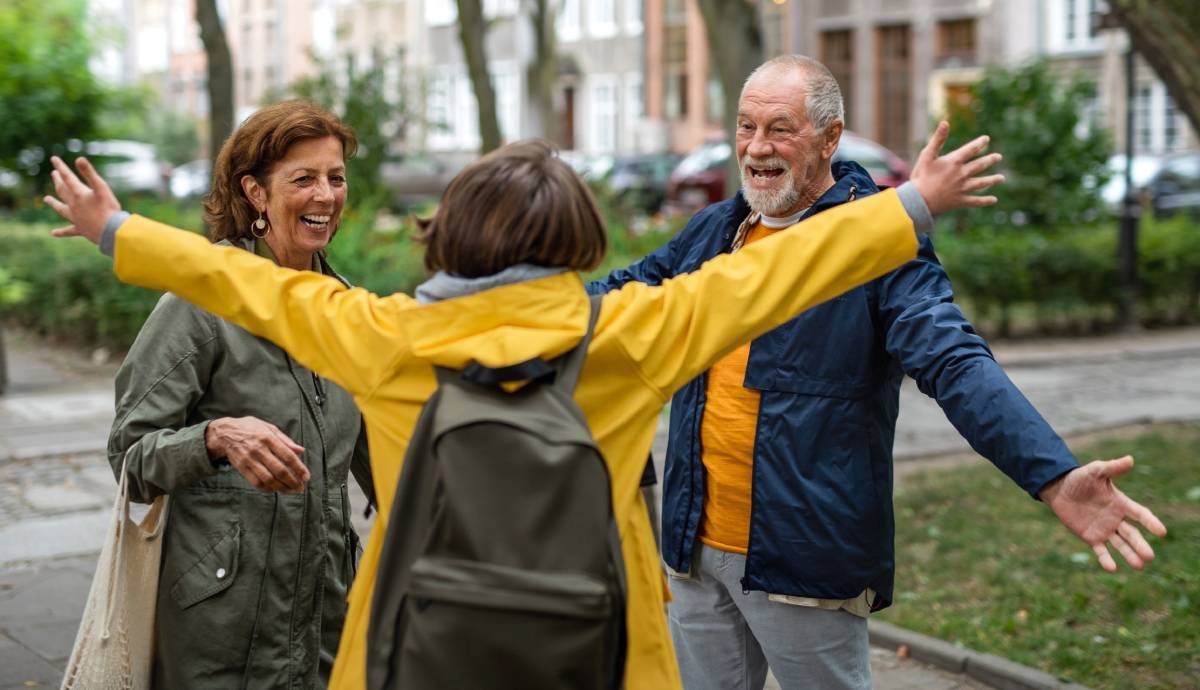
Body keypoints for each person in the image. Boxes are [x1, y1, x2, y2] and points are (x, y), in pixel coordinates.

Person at [45, 126, 997, 689]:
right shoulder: (632, 333)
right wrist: (911, 204)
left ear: (448, 234)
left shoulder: (381, 336)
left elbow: (240, 284)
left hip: (410, 644)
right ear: (580, 238)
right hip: (601, 645)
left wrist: (117, 231)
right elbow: (774, 274)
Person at [587, 55, 1168, 690]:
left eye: (780, 128)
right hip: (692, 545)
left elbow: (953, 362)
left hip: (801, 556)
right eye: (746, 126)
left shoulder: (878, 243)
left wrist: (1051, 474)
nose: (757, 147)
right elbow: (617, 298)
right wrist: (506, 303)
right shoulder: (715, 230)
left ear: (830, 138)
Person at [104, 100, 374, 688]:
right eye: (304, 179)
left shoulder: (347, 310)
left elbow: (388, 464)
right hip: (220, 619)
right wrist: (216, 436)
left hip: (325, 615)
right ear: (255, 192)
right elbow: (129, 455)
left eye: (336, 177)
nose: (326, 195)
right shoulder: (200, 303)